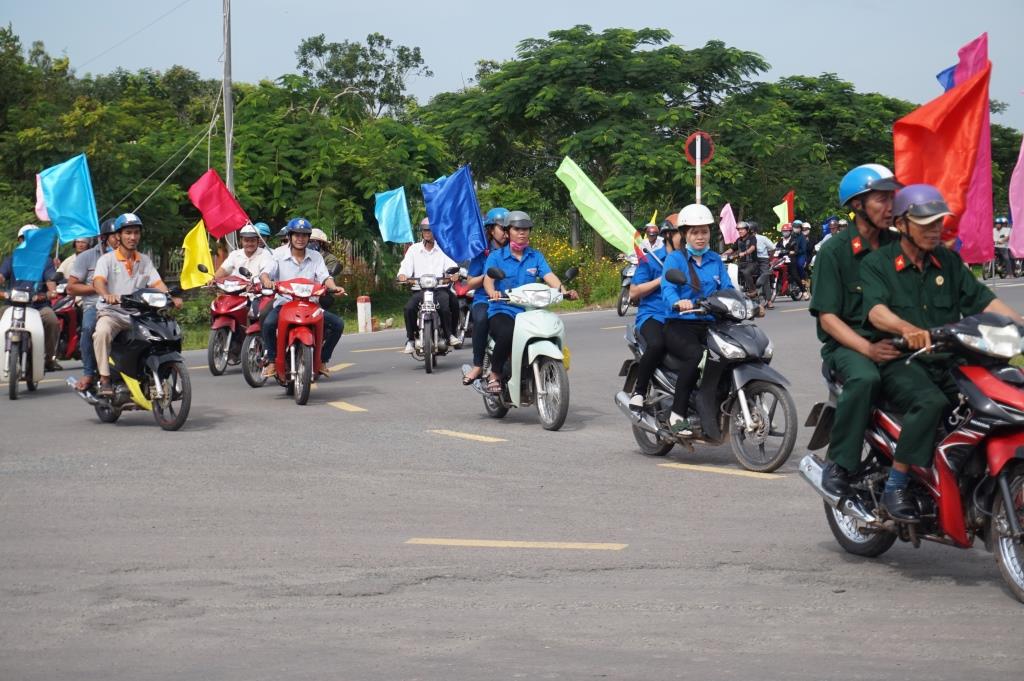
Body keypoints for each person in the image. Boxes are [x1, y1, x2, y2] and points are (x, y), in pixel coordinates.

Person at [861, 184, 1023, 521]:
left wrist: (1019, 322)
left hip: (950, 358)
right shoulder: (879, 263)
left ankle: (965, 474)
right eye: (925, 224)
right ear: (902, 224)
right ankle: (897, 483)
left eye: (938, 223)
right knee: (930, 403)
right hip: (903, 360)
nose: (934, 230)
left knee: (997, 397)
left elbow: (983, 300)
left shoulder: (947, 261)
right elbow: (875, 311)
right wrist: (908, 330)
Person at [809, 163, 903, 496]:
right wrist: (868, 350)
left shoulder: (900, 245)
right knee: (866, 378)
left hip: (896, 341)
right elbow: (828, 318)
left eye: (893, 198)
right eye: (882, 199)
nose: (891, 206)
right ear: (858, 204)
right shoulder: (835, 251)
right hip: (848, 347)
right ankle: (840, 463)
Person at [482, 210, 575, 394]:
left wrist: (565, 292)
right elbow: (488, 279)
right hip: (504, 309)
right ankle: (495, 373)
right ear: (508, 232)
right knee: (508, 332)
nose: (522, 232)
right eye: (517, 229)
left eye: (526, 229)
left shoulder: (535, 256)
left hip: (530, 311)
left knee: (550, 330)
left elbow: (549, 277)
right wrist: (492, 292)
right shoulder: (496, 256)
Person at [660, 204, 734, 435]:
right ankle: (677, 415)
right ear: (685, 234)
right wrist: (678, 302)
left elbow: (728, 288)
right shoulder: (676, 261)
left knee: (733, 353)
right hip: (681, 323)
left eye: (704, 231)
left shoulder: (715, 260)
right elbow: (667, 289)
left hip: (711, 323)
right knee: (696, 355)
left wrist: (746, 302)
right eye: (694, 232)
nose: (700, 237)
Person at [91, 213, 181, 396]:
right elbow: (98, 281)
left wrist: (170, 298)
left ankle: (158, 373)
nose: (133, 237)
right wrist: (107, 295)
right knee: (101, 332)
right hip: (113, 313)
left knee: (165, 334)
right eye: (128, 233)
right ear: (118, 236)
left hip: (140, 315)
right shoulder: (106, 260)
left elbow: (157, 283)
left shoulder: (145, 260)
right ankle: (105, 379)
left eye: (136, 232)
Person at [259, 217, 346, 379]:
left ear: (309, 238)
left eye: (304, 235)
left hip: (310, 306)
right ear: (290, 236)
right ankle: (271, 360)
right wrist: (267, 281)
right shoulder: (277, 254)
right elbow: (266, 272)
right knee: (269, 324)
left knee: (338, 324)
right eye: (297, 235)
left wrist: (334, 287)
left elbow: (324, 277)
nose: (300, 239)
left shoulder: (316, 257)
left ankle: (322, 360)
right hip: (284, 304)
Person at [626, 215, 681, 410]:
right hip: (654, 315)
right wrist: (661, 279)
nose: (689, 237)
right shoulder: (651, 259)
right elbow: (634, 291)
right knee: (657, 344)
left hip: (682, 317)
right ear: (668, 235)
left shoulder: (690, 260)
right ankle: (639, 391)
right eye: (683, 232)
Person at [67, 218, 119, 391]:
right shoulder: (87, 257)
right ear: (104, 238)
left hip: (124, 306)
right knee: (89, 328)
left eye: (121, 235)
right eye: (114, 236)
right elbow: (72, 287)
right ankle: (89, 372)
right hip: (95, 305)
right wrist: (96, 288)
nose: (119, 239)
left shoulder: (130, 257)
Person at [0, 225, 61, 371]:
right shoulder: (11, 259)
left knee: (51, 320)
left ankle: (49, 358)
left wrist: (51, 292)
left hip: (38, 305)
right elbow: (1, 276)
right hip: (13, 305)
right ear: (20, 241)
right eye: (24, 240)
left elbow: (51, 282)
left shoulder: (46, 261)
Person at [398, 218, 460, 354]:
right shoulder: (413, 249)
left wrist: (453, 273)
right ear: (422, 232)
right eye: (425, 230)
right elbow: (405, 267)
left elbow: (451, 265)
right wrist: (402, 275)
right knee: (409, 308)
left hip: (439, 289)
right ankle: (411, 339)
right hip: (420, 290)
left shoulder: (443, 248)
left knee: (445, 306)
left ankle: (449, 335)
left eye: (430, 230)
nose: (427, 233)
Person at [462, 207, 508, 384]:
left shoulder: (515, 251)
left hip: (510, 299)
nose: (506, 232)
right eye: (502, 228)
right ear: (490, 230)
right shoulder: (482, 253)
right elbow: (470, 282)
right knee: (481, 320)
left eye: (508, 228)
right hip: (485, 299)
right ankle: (478, 364)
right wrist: (488, 274)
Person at [775, 223, 807, 299]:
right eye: (783, 231)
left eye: (786, 231)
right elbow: (776, 248)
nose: (785, 233)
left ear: (790, 232)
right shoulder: (780, 241)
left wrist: (790, 252)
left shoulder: (794, 240)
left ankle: (804, 291)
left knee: (795, 275)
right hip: (781, 260)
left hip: (790, 260)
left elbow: (795, 250)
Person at [751, 222, 774, 307]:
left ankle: (769, 301)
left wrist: (769, 257)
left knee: (765, 278)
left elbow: (772, 248)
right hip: (751, 260)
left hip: (763, 260)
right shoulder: (744, 239)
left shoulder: (762, 238)